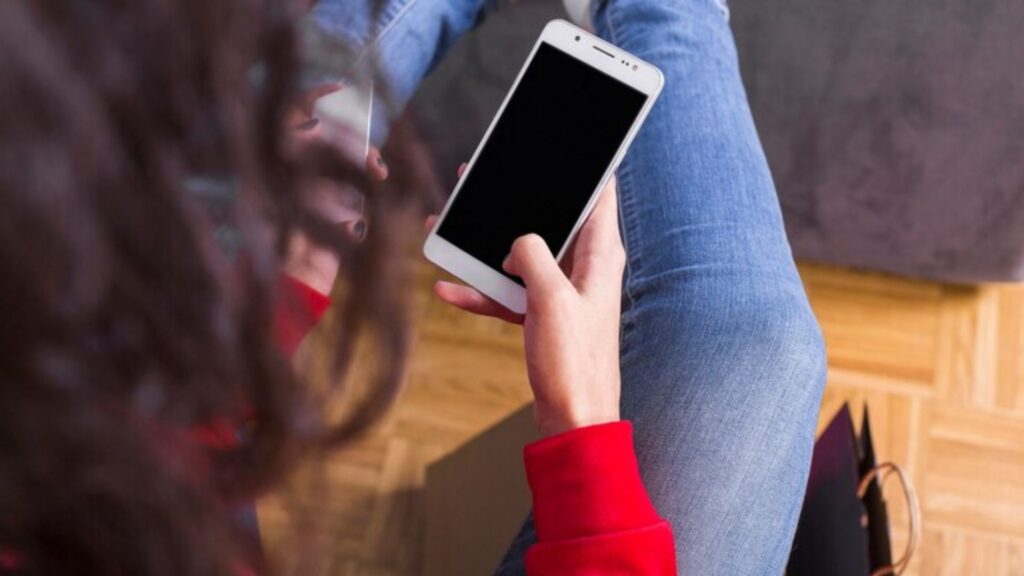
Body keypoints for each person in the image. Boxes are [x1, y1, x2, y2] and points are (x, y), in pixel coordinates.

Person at [0, 1, 825, 575]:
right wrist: (583, 421)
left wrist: (277, 303)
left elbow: (127, 455)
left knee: (287, 133)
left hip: (145, 472)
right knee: (756, 344)